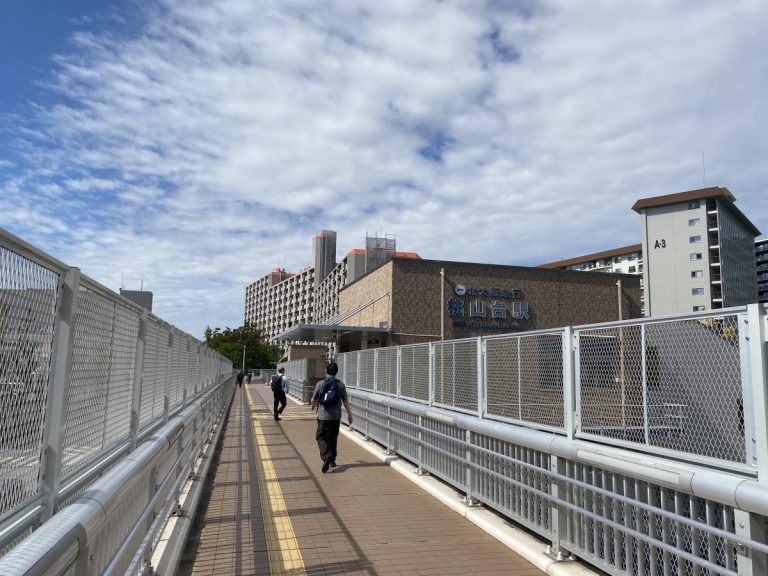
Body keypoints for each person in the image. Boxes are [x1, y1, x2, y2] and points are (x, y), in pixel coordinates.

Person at [311, 361, 353, 473]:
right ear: (336, 372)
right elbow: (345, 401)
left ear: (326, 371)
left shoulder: (320, 384)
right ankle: (332, 460)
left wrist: (313, 406)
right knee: (333, 438)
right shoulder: (340, 384)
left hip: (323, 416)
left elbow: (313, 400)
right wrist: (350, 415)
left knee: (320, 437)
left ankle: (326, 455)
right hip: (336, 416)